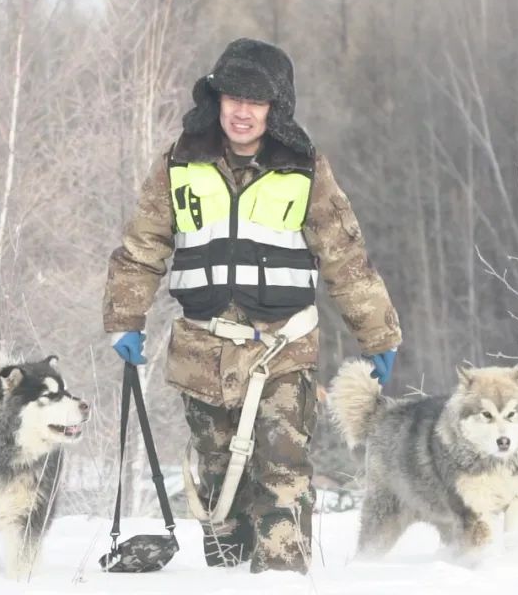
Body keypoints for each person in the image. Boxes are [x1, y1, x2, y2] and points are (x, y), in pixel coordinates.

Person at [102, 37, 401, 574]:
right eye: (233, 98)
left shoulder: (305, 167)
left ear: (276, 107)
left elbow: (344, 255)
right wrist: (126, 317)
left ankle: (282, 579)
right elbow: (143, 245)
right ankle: (229, 578)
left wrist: (378, 335)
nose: (242, 112)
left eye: (256, 101)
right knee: (218, 478)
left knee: (282, 474)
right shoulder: (179, 161)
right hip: (202, 350)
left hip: (281, 348)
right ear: (216, 100)